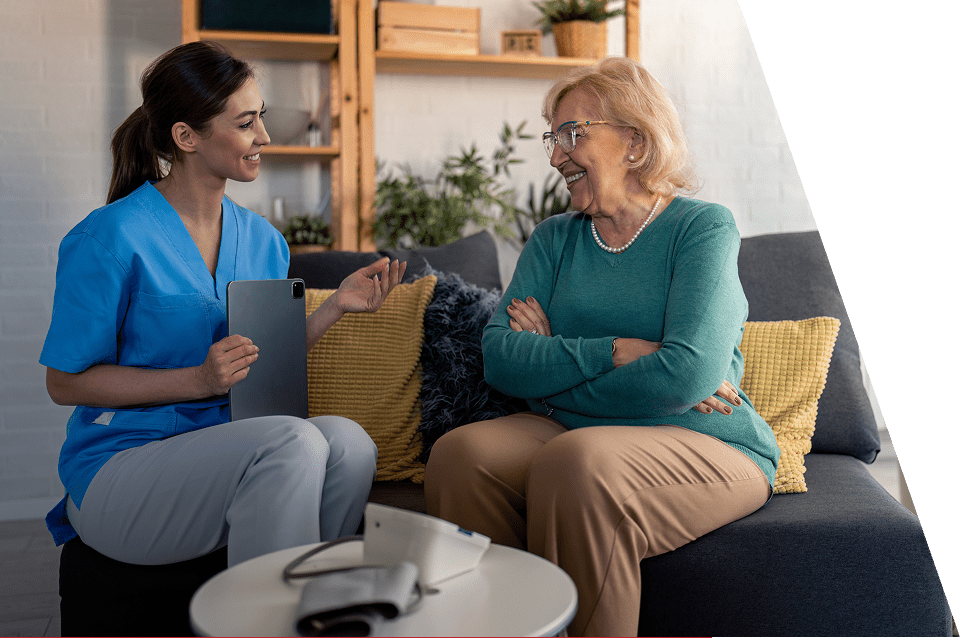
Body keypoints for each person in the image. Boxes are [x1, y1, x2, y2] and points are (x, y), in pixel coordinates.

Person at [424, 57, 780, 636]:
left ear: (635, 144)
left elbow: (685, 377)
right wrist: (618, 350)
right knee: (462, 456)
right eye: (553, 138)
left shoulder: (702, 229)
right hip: (573, 428)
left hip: (703, 439)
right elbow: (501, 359)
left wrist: (557, 358)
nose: (557, 156)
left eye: (573, 135)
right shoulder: (554, 238)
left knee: (579, 460)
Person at [40, 41, 405, 567]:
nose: (265, 137)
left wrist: (335, 307)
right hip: (121, 465)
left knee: (350, 444)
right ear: (186, 137)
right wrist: (198, 380)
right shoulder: (109, 237)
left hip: (227, 447)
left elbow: (256, 359)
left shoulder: (264, 241)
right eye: (246, 123)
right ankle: (266, 614)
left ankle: (307, 598)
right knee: (293, 442)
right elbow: (63, 383)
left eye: (260, 118)